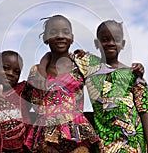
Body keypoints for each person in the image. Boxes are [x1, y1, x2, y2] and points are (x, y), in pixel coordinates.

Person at [74, 20, 148, 152]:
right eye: (105, 39)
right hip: (106, 143)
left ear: (122, 44)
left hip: (133, 144)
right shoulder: (88, 65)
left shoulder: (133, 73)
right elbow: (61, 54)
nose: (110, 43)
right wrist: (43, 63)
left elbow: (144, 112)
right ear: (97, 43)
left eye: (115, 39)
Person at [25, 15, 98, 153]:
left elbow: (107, 71)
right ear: (45, 38)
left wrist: (134, 69)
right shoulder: (37, 72)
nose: (60, 36)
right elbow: (30, 103)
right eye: (53, 32)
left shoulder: (80, 65)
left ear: (72, 38)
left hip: (76, 136)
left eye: (65, 32)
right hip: (46, 139)